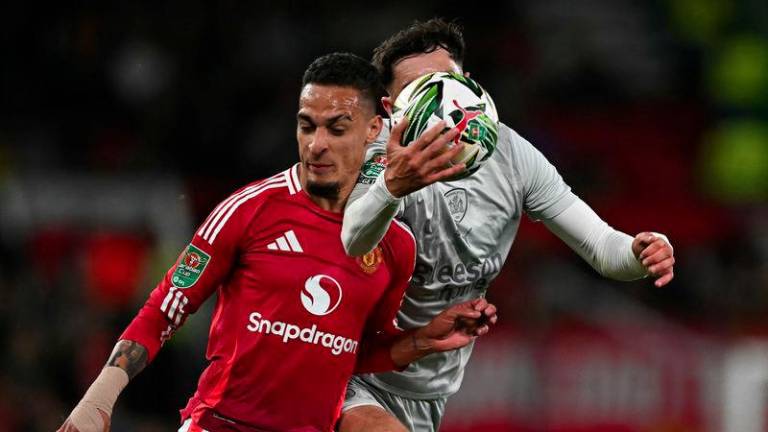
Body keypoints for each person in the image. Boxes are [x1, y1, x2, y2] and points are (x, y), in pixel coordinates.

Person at [57, 52, 498, 432]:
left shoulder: (395, 245)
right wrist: (99, 398)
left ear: (374, 129)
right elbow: (164, 309)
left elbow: (353, 351)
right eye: (308, 126)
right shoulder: (250, 210)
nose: (317, 145)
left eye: (337, 129)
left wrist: (422, 340)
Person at [338, 19, 676, 432]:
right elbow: (351, 239)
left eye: (446, 81)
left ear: (470, 86)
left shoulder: (514, 157)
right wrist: (392, 186)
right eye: (418, 89)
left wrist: (641, 253)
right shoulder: (375, 156)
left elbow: (605, 248)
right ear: (391, 108)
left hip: (428, 391)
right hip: (349, 369)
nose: (439, 99)